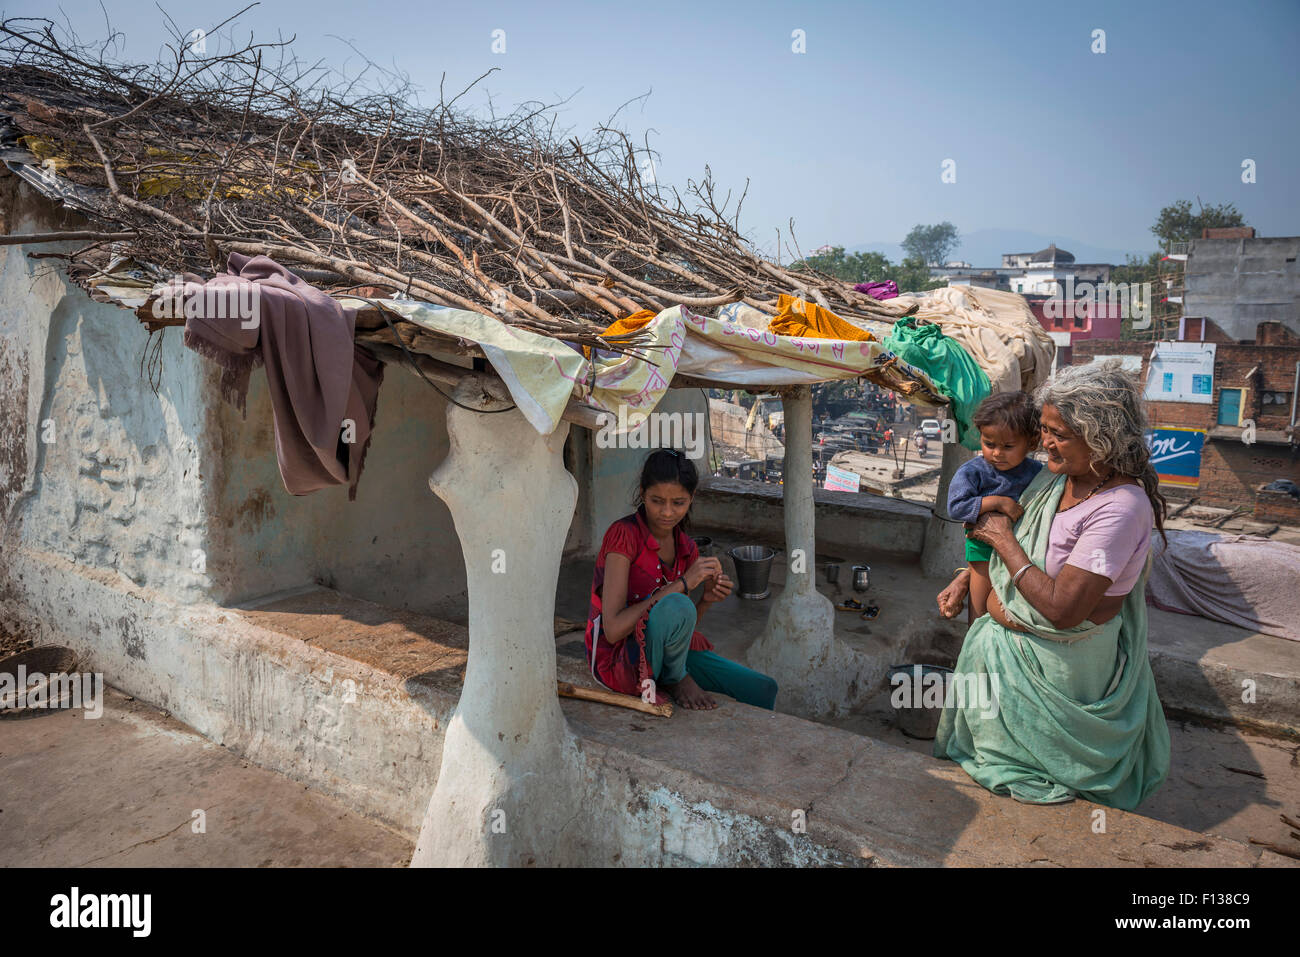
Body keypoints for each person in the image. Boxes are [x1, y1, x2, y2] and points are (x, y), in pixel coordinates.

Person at [932, 360, 1171, 809]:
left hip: (1060, 674)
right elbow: (1038, 549)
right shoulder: (1055, 480)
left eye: (1057, 433)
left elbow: (1063, 609)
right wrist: (968, 576)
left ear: (1101, 435)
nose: (1044, 444)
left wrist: (1002, 543)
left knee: (1036, 790)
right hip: (1009, 652)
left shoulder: (1118, 509)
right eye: (1043, 430)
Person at [583, 449, 779, 711]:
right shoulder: (624, 536)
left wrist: (706, 600)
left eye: (678, 503)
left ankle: (675, 674)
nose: (666, 512)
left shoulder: (686, 548)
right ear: (642, 493)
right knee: (677, 601)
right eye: (656, 501)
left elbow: (677, 629)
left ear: (691, 498)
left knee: (762, 688)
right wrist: (682, 584)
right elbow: (614, 629)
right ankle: (676, 678)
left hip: (663, 656)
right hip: (620, 659)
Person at [947, 392, 1043, 621]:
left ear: (1031, 442)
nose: (997, 453)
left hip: (1024, 550)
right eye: (989, 444)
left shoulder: (1037, 472)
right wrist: (998, 502)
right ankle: (974, 642)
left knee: (1010, 607)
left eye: (1008, 446)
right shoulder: (973, 472)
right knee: (979, 609)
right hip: (983, 551)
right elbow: (956, 506)